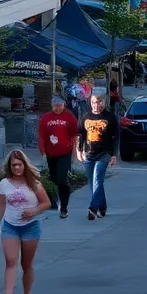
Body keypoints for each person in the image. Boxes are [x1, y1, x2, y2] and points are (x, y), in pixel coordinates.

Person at [0, 148, 51, 294]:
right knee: (10, 261)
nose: (16, 168)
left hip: (30, 228)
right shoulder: (4, 184)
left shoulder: (34, 183)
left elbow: (46, 203)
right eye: (13, 165)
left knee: (26, 264)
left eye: (19, 164)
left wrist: (34, 211)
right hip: (10, 226)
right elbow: (1, 206)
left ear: (24, 164)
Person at [38, 95, 80, 219]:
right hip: (51, 153)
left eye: (60, 106)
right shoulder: (46, 118)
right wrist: (42, 150)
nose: (57, 109)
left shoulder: (69, 117)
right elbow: (42, 135)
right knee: (54, 180)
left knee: (62, 179)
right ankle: (59, 197)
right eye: (55, 106)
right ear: (52, 105)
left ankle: (64, 207)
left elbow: (74, 134)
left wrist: (75, 151)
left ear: (63, 105)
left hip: (64, 153)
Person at [78, 93, 118, 221]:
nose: (96, 105)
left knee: (98, 180)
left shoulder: (110, 117)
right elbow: (80, 135)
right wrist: (79, 150)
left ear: (104, 103)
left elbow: (115, 138)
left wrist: (114, 155)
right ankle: (103, 206)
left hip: (104, 154)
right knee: (93, 184)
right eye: (94, 102)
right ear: (91, 103)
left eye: (99, 102)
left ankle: (93, 208)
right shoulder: (86, 117)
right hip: (89, 154)